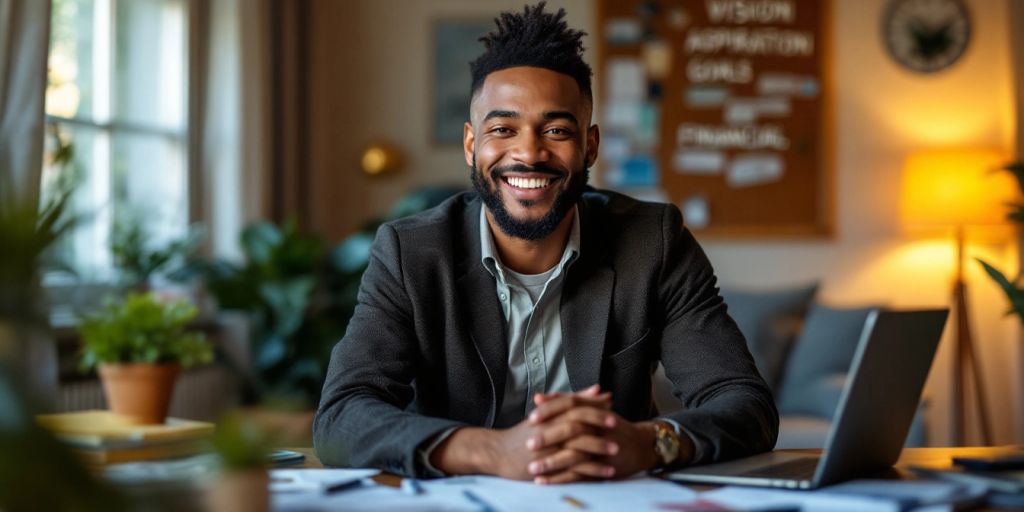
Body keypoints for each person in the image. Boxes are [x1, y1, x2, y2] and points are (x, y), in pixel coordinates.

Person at [313, 2, 777, 484]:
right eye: (503, 129)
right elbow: (341, 417)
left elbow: (744, 403)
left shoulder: (653, 243)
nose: (530, 153)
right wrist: (490, 451)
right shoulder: (411, 254)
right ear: (472, 145)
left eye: (556, 130)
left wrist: (646, 442)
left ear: (590, 146)